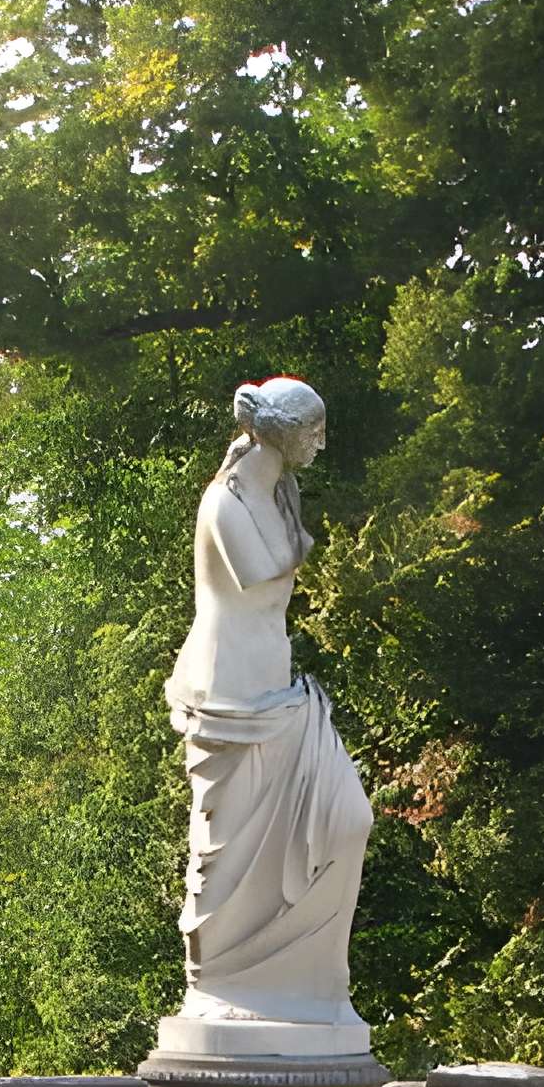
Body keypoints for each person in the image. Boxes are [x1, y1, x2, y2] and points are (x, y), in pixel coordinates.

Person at [163, 376, 372, 1046]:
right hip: (229, 694)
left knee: (348, 817)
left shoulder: (280, 492)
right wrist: (299, 539)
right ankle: (231, 981)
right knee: (225, 858)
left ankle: (304, 981)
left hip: (277, 689)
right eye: (313, 429)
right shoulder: (226, 503)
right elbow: (271, 565)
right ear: (281, 431)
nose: (322, 441)